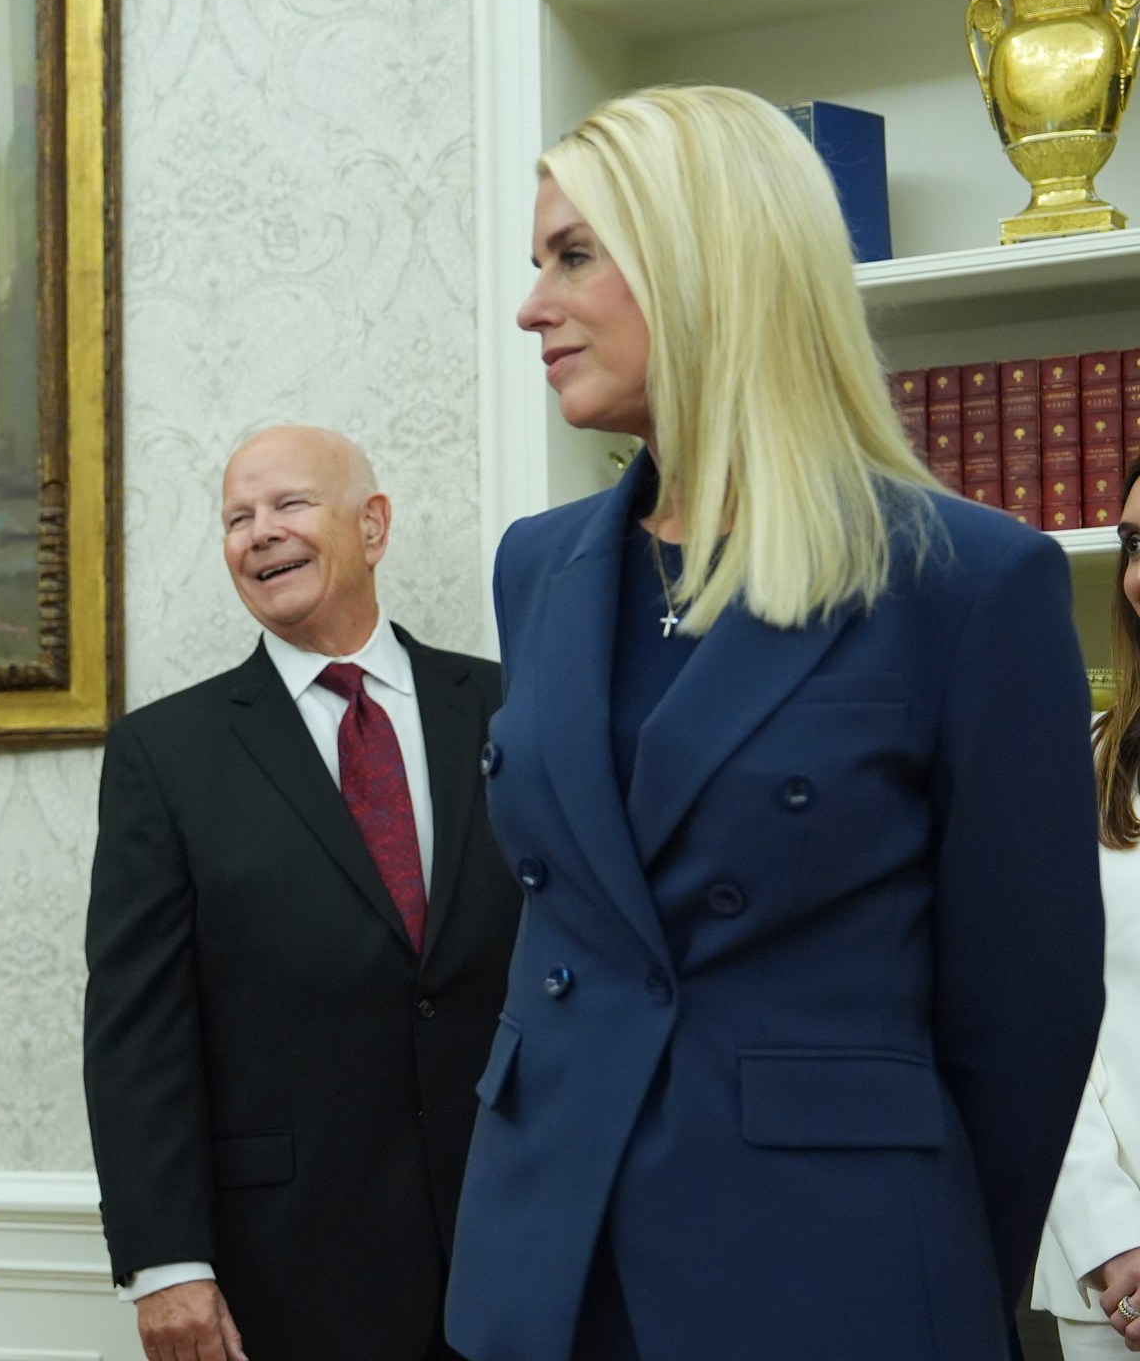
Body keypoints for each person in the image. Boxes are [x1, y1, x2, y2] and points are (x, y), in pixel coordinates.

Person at [446, 83, 1102, 1360]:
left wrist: (934, 1268)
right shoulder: (537, 567)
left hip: (826, 1277)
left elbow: (1025, 1013)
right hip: (542, 1272)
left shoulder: (967, 580)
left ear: (710, 263)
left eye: (574, 256)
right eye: (535, 262)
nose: (531, 305)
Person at [84, 425, 520, 1361]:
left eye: (288, 505)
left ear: (373, 526)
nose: (258, 533)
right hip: (293, 1269)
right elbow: (136, 1030)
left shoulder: (509, 709)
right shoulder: (166, 755)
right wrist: (167, 1265)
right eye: (237, 517)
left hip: (523, 1236)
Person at [1037, 457, 1140, 1358]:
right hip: (1123, 1273)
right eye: (1138, 544)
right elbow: (1040, 1010)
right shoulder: (1086, 760)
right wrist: (1111, 1230)